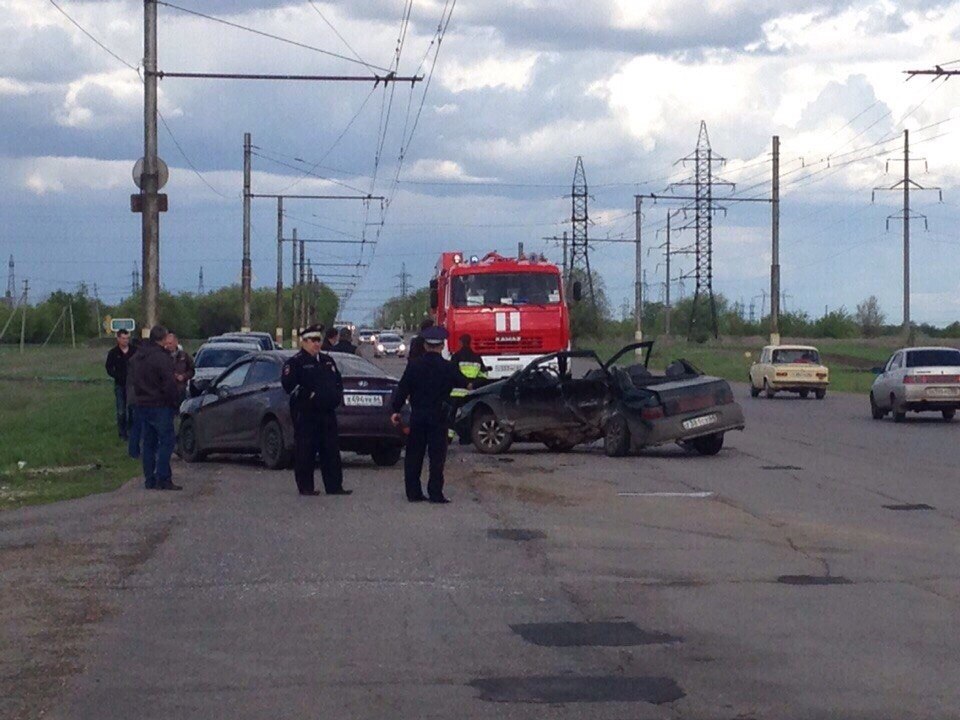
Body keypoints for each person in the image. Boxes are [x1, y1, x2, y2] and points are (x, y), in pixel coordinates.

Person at [391, 326, 466, 504]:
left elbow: (402, 389)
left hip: (418, 416)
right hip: (438, 417)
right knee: (437, 457)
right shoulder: (448, 367)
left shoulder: (414, 366)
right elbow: (462, 382)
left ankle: (413, 492)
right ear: (441, 346)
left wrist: (395, 409)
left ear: (425, 346)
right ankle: (435, 493)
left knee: (414, 455)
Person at [281, 324, 351, 497]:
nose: (317, 344)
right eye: (313, 340)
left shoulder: (327, 361)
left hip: (327, 413)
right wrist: (310, 395)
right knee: (306, 451)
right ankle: (306, 487)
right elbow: (290, 386)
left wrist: (336, 396)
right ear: (303, 342)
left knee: (331, 450)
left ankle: (334, 486)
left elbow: (337, 382)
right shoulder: (296, 363)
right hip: (306, 414)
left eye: (319, 340)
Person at [132, 325, 181, 490]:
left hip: (143, 404)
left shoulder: (139, 356)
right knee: (167, 441)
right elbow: (169, 384)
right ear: (162, 338)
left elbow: (134, 379)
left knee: (148, 443)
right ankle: (163, 477)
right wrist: (175, 402)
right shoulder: (162, 358)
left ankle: (150, 479)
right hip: (160, 405)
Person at [105, 329, 133, 440]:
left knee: (132, 410)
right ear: (118, 339)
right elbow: (108, 367)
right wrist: (117, 375)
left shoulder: (134, 350)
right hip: (120, 385)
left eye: (127, 338)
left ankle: (132, 431)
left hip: (132, 385)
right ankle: (122, 433)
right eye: (123, 338)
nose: (125, 340)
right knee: (121, 410)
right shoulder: (113, 353)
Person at [164, 332, 195, 402]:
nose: (168, 346)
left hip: (181, 390)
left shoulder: (184, 356)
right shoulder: (163, 356)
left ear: (176, 342)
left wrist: (184, 376)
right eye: (167, 344)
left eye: (170, 343)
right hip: (167, 392)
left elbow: (192, 370)